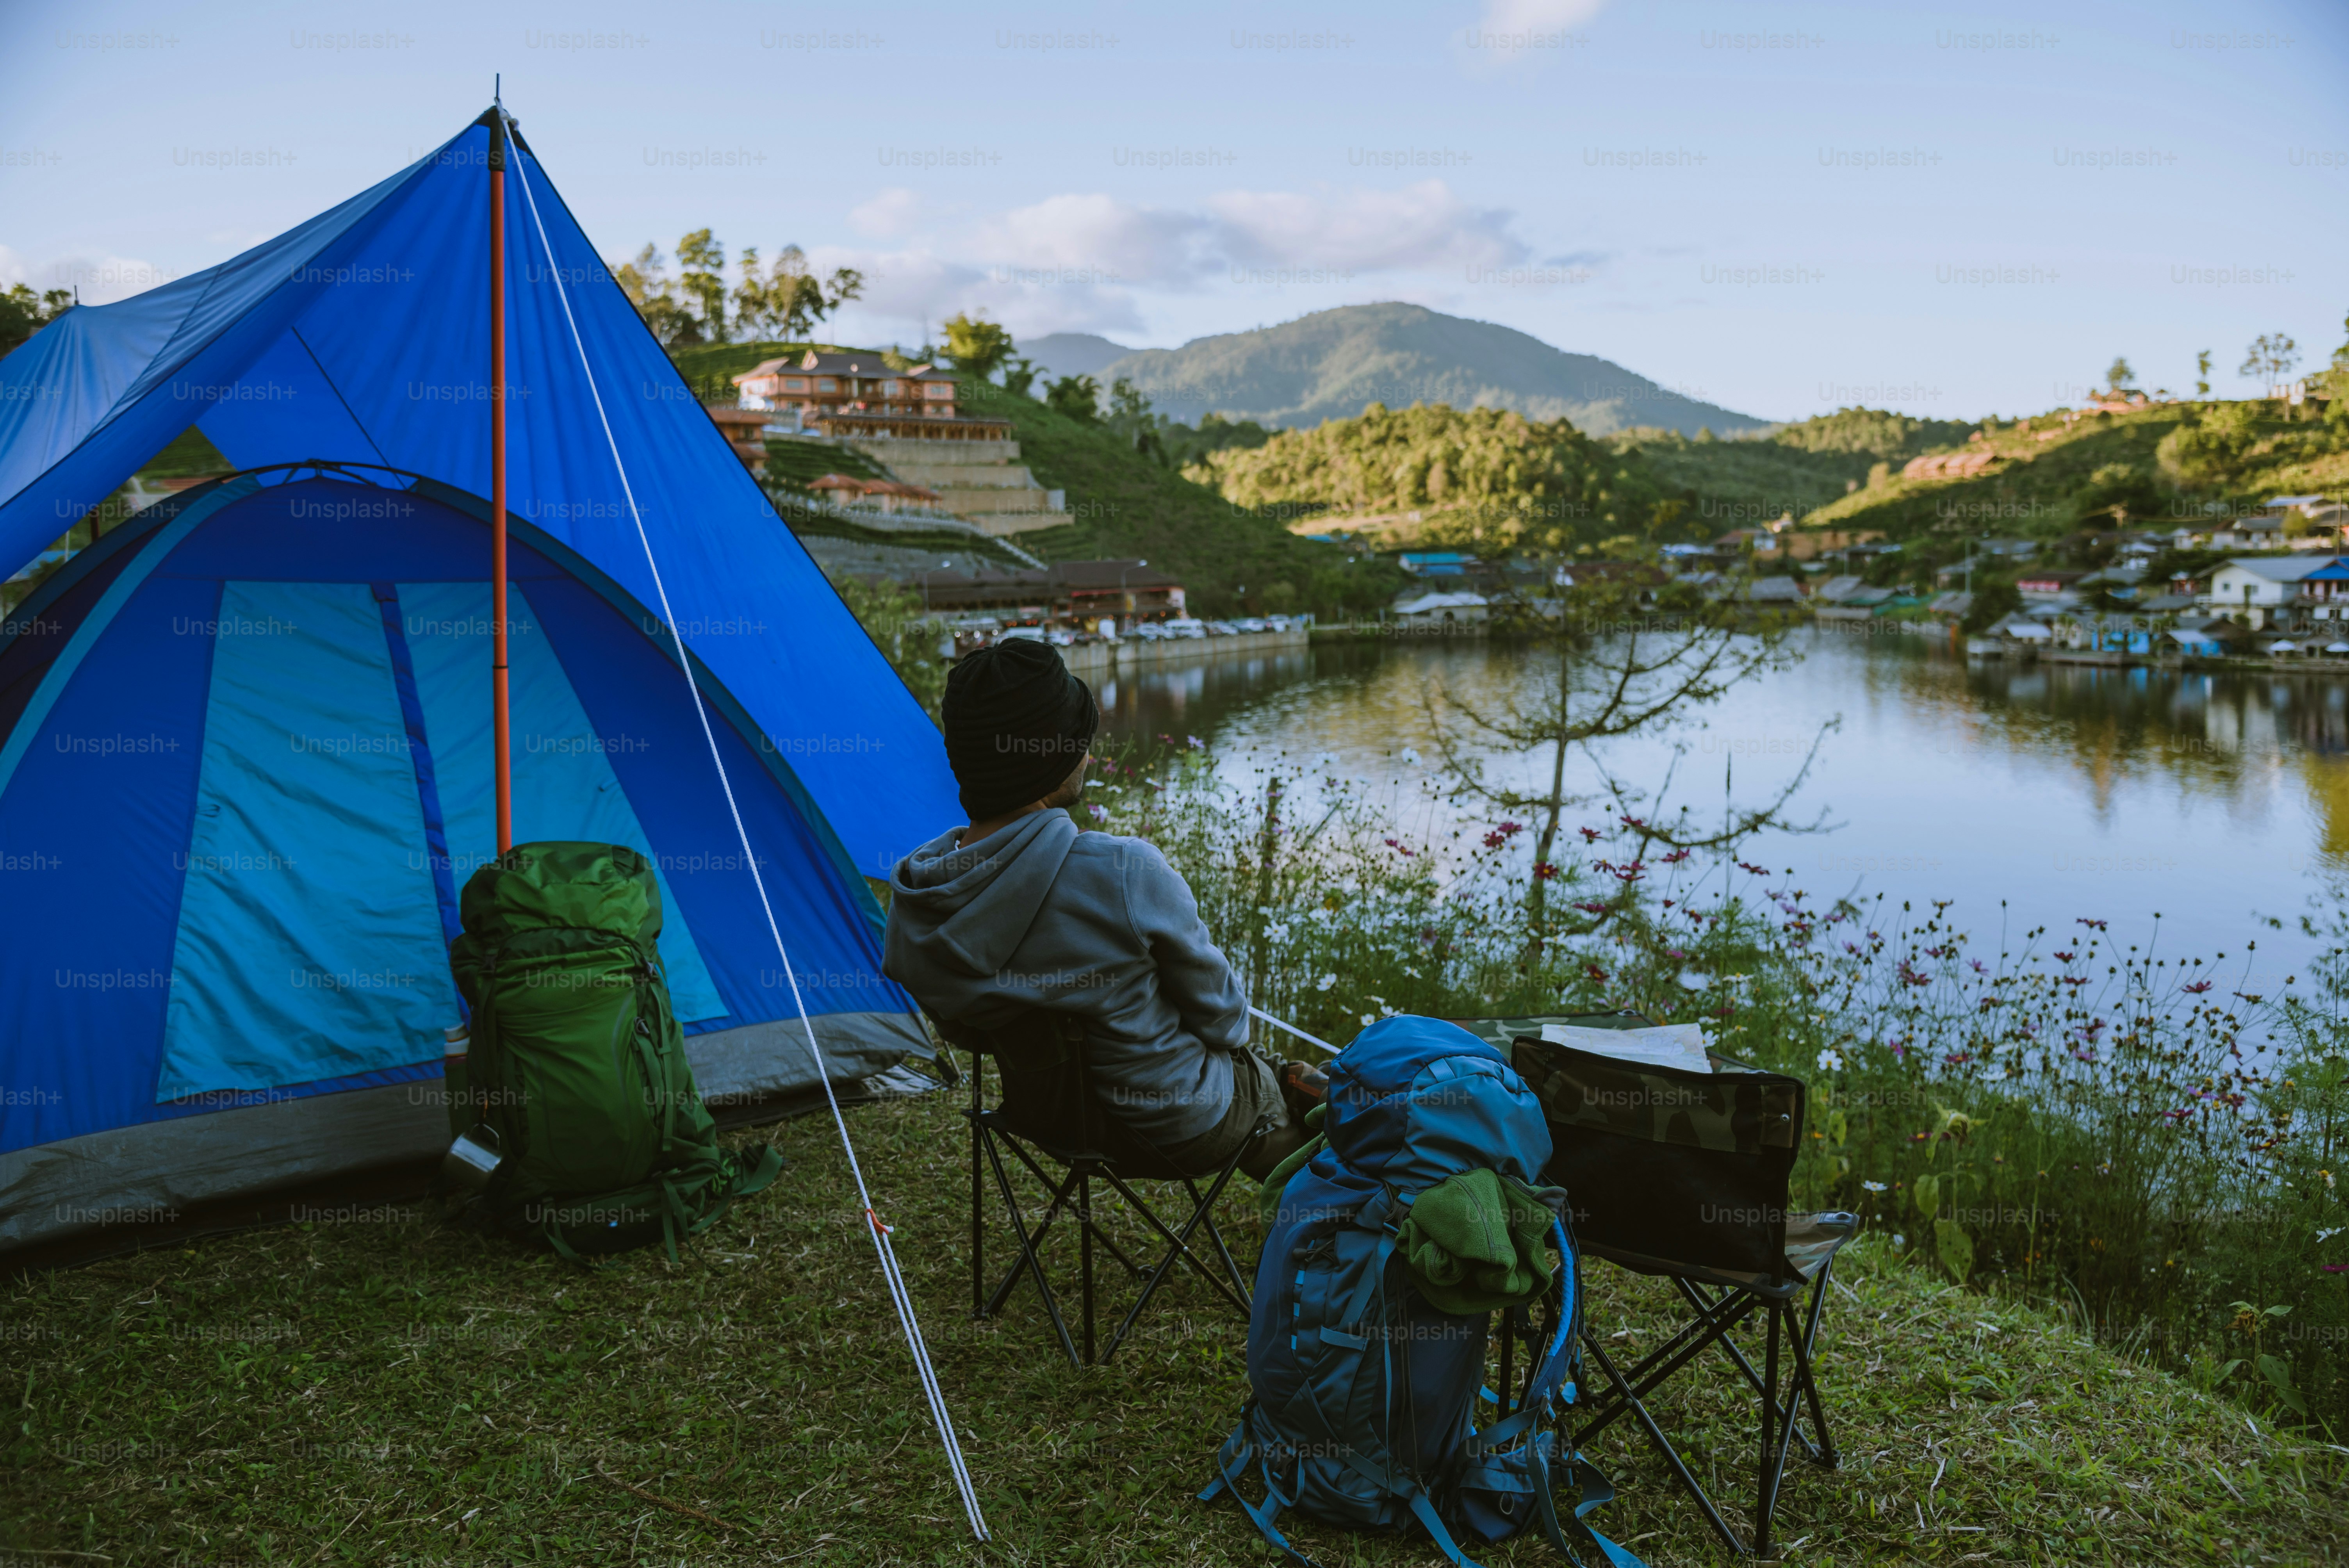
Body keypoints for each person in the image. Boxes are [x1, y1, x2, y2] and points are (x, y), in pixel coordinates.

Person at [884, 638, 1319, 1180]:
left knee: (1278, 1074)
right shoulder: (1124, 874)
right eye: (1079, 742)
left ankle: (1308, 1085)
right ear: (1049, 754)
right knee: (1307, 1112)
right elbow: (1225, 1022)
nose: (1089, 756)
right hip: (1181, 1125)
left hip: (1055, 1127)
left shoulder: (920, 896)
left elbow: (965, 1031)